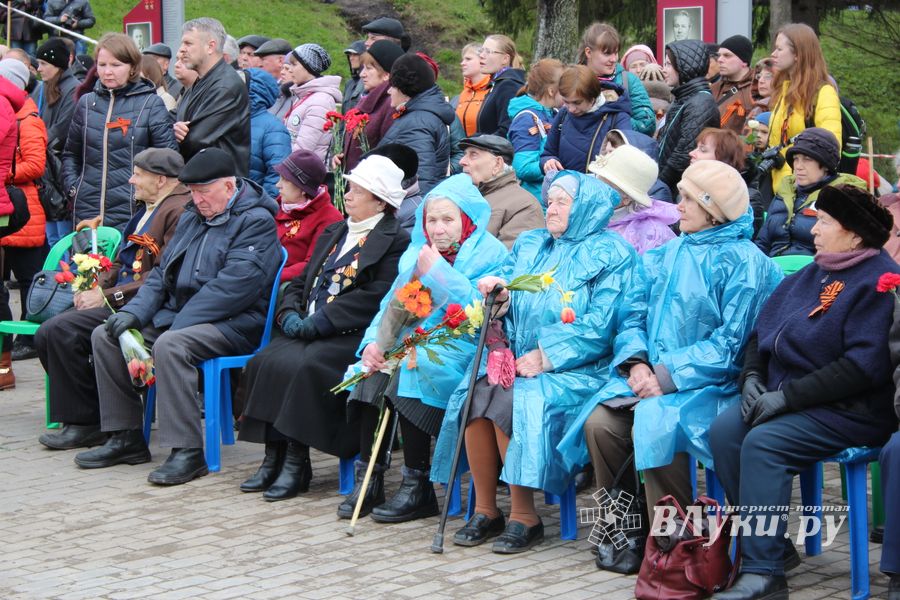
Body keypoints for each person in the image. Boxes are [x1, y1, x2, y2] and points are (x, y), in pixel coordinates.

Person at [563, 161, 780, 537]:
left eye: (688, 199)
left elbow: (732, 346)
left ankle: (675, 539)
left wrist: (666, 376)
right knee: (600, 423)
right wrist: (636, 364)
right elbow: (631, 316)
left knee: (657, 421)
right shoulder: (667, 252)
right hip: (652, 379)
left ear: (713, 212)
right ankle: (624, 529)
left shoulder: (747, 264)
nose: (677, 205)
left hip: (712, 385)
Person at [432, 172, 640, 553]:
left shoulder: (613, 253)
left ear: (586, 209)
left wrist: (547, 355)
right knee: (477, 393)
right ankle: (486, 509)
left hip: (581, 367)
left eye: (563, 202)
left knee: (514, 399)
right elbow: (512, 287)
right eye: (551, 200)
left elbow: (606, 323)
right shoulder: (532, 244)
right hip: (521, 356)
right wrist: (501, 297)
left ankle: (525, 516)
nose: (552, 208)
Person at [709, 184, 898, 600]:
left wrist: (786, 399)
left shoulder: (877, 281)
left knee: (764, 443)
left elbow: (862, 367)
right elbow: (762, 334)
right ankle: (772, 544)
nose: (814, 230)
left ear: (854, 235)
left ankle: (764, 574)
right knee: (725, 432)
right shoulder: (817, 270)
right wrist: (753, 379)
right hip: (789, 397)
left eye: (825, 222)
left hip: (850, 409)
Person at [73, 148, 282, 485]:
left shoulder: (255, 221)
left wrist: (176, 322)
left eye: (204, 192)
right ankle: (125, 438)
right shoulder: (193, 216)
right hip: (183, 317)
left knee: (171, 345)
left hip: (234, 323)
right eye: (193, 192)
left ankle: (187, 452)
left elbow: (233, 289)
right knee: (108, 335)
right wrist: (134, 314)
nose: (197, 199)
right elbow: (160, 276)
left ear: (229, 187)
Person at [237, 154, 410, 501]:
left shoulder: (395, 240)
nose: (347, 194)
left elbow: (376, 295)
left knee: (305, 366)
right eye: (349, 187)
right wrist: (288, 313)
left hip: (351, 334)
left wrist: (320, 322)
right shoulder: (336, 231)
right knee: (265, 360)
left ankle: (298, 461)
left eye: (357, 190)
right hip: (310, 327)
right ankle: (275, 454)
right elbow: (303, 280)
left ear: (379, 201)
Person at [341, 173, 508, 521]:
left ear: (466, 219)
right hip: (417, 340)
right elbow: (394, 304)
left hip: (466, 348)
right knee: (371, 371)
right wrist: (375, 343)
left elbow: (481, 312)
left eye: (448, 219)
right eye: (431, 219)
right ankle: (370, 478)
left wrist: (440, 274)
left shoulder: (491, 253)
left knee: (411, 368)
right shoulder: (418, 253)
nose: (438, 228)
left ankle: (417, 485)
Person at [35, 149, 188, 448]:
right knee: (48, 333)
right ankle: (90, 413)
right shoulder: (146, 208)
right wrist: (91, 287)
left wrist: (105, 295)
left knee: (59, 331)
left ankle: (87, 421)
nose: (131, 180)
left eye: (138, 175)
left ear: (160, 180)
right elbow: (119, 263)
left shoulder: (178, 211)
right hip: (120, 300)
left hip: (143, 307)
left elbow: (158, 277)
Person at [61, 33, 177, 233]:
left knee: (126, 264)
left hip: (134, 210)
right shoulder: (86, 104)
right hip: (88, 210)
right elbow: (71, 154)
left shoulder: (150, 104)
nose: (107, 72)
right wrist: (74, 188)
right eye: (102, 65)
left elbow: (168, 159)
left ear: (132, 67)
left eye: (115, 65)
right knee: (87, 263)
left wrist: (145, 195)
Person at [0, 59, 47, 369]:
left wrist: (6, 174)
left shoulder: (26, 119)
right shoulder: (12, 112)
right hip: (11, 204)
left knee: (31, 279)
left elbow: (36, 164)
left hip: (21, 206)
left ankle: (30, 339)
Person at [756, 128, 866, 257]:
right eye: (796, 159)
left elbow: (844, 252)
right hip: (772, 269)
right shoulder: (785, 192)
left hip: (814, 272)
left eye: (807, 159)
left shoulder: (842, 198)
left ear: (826, 165)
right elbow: (762, 242)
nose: (798, 166)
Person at [766, 23, 842, 193]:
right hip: (779, 187)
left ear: (798, 54)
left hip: (806, 190)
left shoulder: (823, 93)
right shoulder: (784, 90)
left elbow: (831, 147)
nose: (773, 54)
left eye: (779, 49)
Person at [174, 18, 251, 176]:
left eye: (188, 43)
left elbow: (195, 139)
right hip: (202, 182)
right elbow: (173, 118)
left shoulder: (225, 86)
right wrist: (173, 128)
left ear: (210, 46)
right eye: (182, 43)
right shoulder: (201, 81)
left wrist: (172, 133)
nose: (181, 50)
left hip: (220, 188)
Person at [377, 53, 455, 195]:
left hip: (407, 210)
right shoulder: (418, 116)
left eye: (393, 86)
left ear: (405, 89)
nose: (389, 91)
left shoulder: (418, 123)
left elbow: (420, 180)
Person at [539, 65, 632, 174]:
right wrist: (548, 161)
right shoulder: (563, 114)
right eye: (566, 102)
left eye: (577, 102)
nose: (571, 109)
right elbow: (548, 153)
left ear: (593, 98)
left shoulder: (617, 118)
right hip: (564, 187)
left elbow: (625, 162)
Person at [588, 144, 679, 254]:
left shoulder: (652, 235)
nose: (595, 189)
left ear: (626, 198)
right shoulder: (583, 206)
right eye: (597, 179)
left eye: (604, 187)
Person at [657, 40, 721, 194]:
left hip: (682, 189)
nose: (664, 70)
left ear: (684, 67)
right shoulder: (684, 98)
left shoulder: (700, 103)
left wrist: (659, 184)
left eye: (669, 65)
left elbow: (683, 153)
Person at [458, 134, 544, 249]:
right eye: (464, 155)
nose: (461, 161)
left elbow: (511, 260)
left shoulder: (525, 205)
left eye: (473, 155)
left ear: (497, 164)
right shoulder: (460, 197)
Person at [272, 149, 342, 282]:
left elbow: (313, 264)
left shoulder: (329, 217)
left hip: (282, 285)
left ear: (303, 188)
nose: (277, 185)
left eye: (285, 180)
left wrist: (271, 277)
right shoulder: (277, 206)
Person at [335, 40, 404, 173]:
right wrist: (341, 157)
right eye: (363, 68)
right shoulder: (367, 99)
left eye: (369, 68)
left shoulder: (390, 105)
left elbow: (386, 154)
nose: (362, 74)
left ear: (386, 75)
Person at [35, 37, 79, 245]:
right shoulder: (46, 88)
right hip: (48, 171)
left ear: (57, 64)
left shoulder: (73, 89)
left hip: (61, 169)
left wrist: (36, 143)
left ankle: (64, 277)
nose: (39, 68)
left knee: (63, 238)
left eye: (43, 63)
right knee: (52, 237)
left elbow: (61, 129)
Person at [578, 22, 656, 136]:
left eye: (616, 53)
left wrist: (612, 116)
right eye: (607, 54)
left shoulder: (628, 81)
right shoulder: (573, 80)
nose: (614, 59)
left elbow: (647, 125)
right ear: (588, 52)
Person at [689, 127, 766, 233]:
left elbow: (740, 238)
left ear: (723, 159)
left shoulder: (747, 198)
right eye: (696, 148)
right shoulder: (690, 189)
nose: (692, 153)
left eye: (703, 150)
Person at [507, 58, 563, 200]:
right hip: (537, 203)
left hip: (554, 198)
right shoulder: (526, 119)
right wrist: (551, 166)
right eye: (563, 86)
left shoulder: (554, 113)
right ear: (551, 91)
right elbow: (523, 167)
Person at [283, 43, 341, 160]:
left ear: (308, 67)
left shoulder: (320, 102)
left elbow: (303, 149)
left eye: (294, 64)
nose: (290, 69)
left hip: (301, 171)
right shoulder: (305, 95)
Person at [246, 67, 291, 199]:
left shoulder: (273, 128)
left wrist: (262, 207)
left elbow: (276, 176)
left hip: (251, 208)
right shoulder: (229, 120)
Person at [598, 128, 673, 203]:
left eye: (612, 152)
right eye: (606, 152)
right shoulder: (606, 178)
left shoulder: (658, 191)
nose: (606, 157)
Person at [475, 35, 525, 137]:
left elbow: (506, 130)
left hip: (498, 152)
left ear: (505, 59)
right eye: (482, 50)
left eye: (488, 52)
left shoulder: (508, 86)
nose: (481, 55)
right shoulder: (497, 84)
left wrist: (477, 142)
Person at [712, 35, 755, 133]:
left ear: (744, 61)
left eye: (727, 55)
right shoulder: (713, 88)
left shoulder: (755, 90)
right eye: (719, 55)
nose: (719, 60)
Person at [453, 43, 491, 137]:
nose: (462, 63)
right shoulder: (463, 94)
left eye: (468, 59)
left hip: (486, 149)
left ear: (482, 60)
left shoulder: (493, 90)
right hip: (462, 150)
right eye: (463, 59)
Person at [341, 40, 365, 113]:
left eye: (355, 55)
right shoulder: (349, 84)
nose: (351, 58)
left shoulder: (369, 83)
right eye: (350, 55)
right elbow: (343, 117)